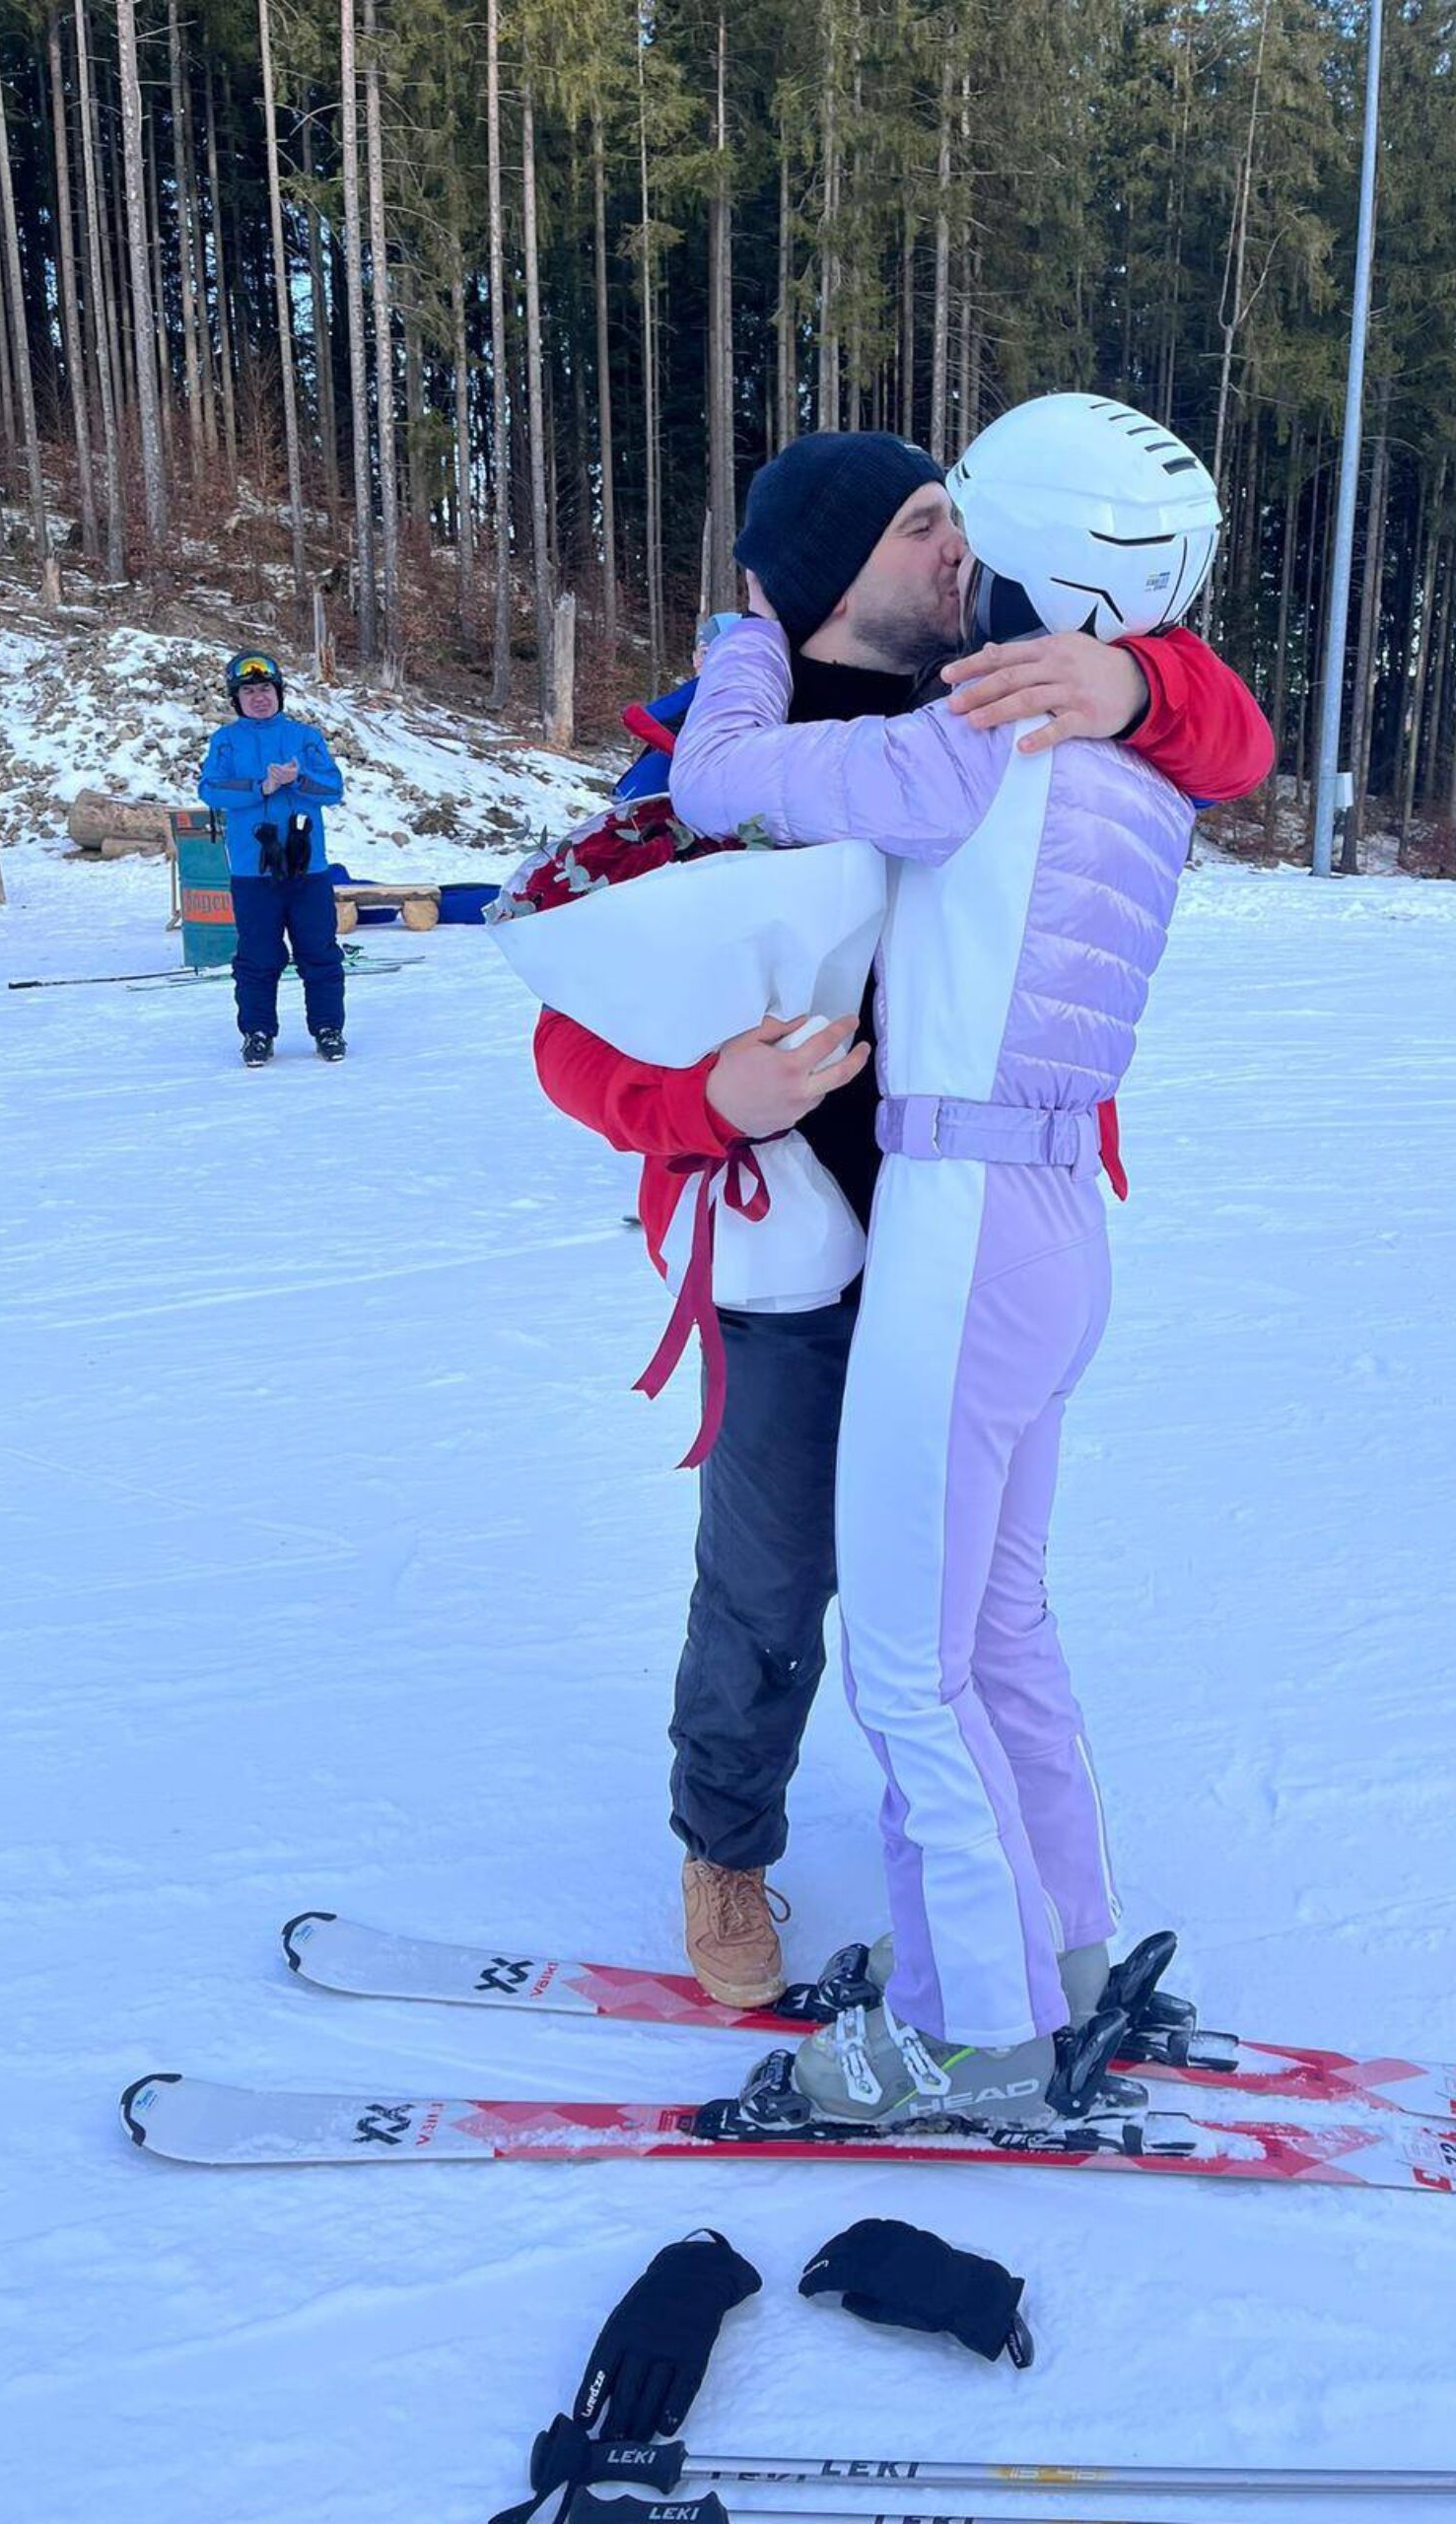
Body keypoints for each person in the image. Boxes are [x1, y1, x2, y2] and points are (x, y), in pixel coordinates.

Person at [536, 430, 1272, 2015]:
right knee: (771, 1582)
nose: (957, 548)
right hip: (800, 1248)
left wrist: (1137, 680)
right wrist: (706, 1098)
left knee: (946, 1614)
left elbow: (1235, 735)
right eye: (923, 523)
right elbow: (571, 1032)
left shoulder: (1015, 701)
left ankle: (992, 1969)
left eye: (961, 517)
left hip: (958, 1234)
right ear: (824, 572)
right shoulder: (706, 757)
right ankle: (726, 1845)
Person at [198, 650, 350, 1067]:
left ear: (279, 693)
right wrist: (260, 787)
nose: (259, 698)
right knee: (257, 957)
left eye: (265, 688)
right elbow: (210, 790)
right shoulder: (225, 741)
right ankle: (258, 1032)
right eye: (249, 692)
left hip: (308, 869)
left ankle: (328, 1028)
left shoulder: (305, 737)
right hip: (253, 873)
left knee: (320, 953)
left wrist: (298, 780)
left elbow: (333, 789)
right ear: (237, 699)